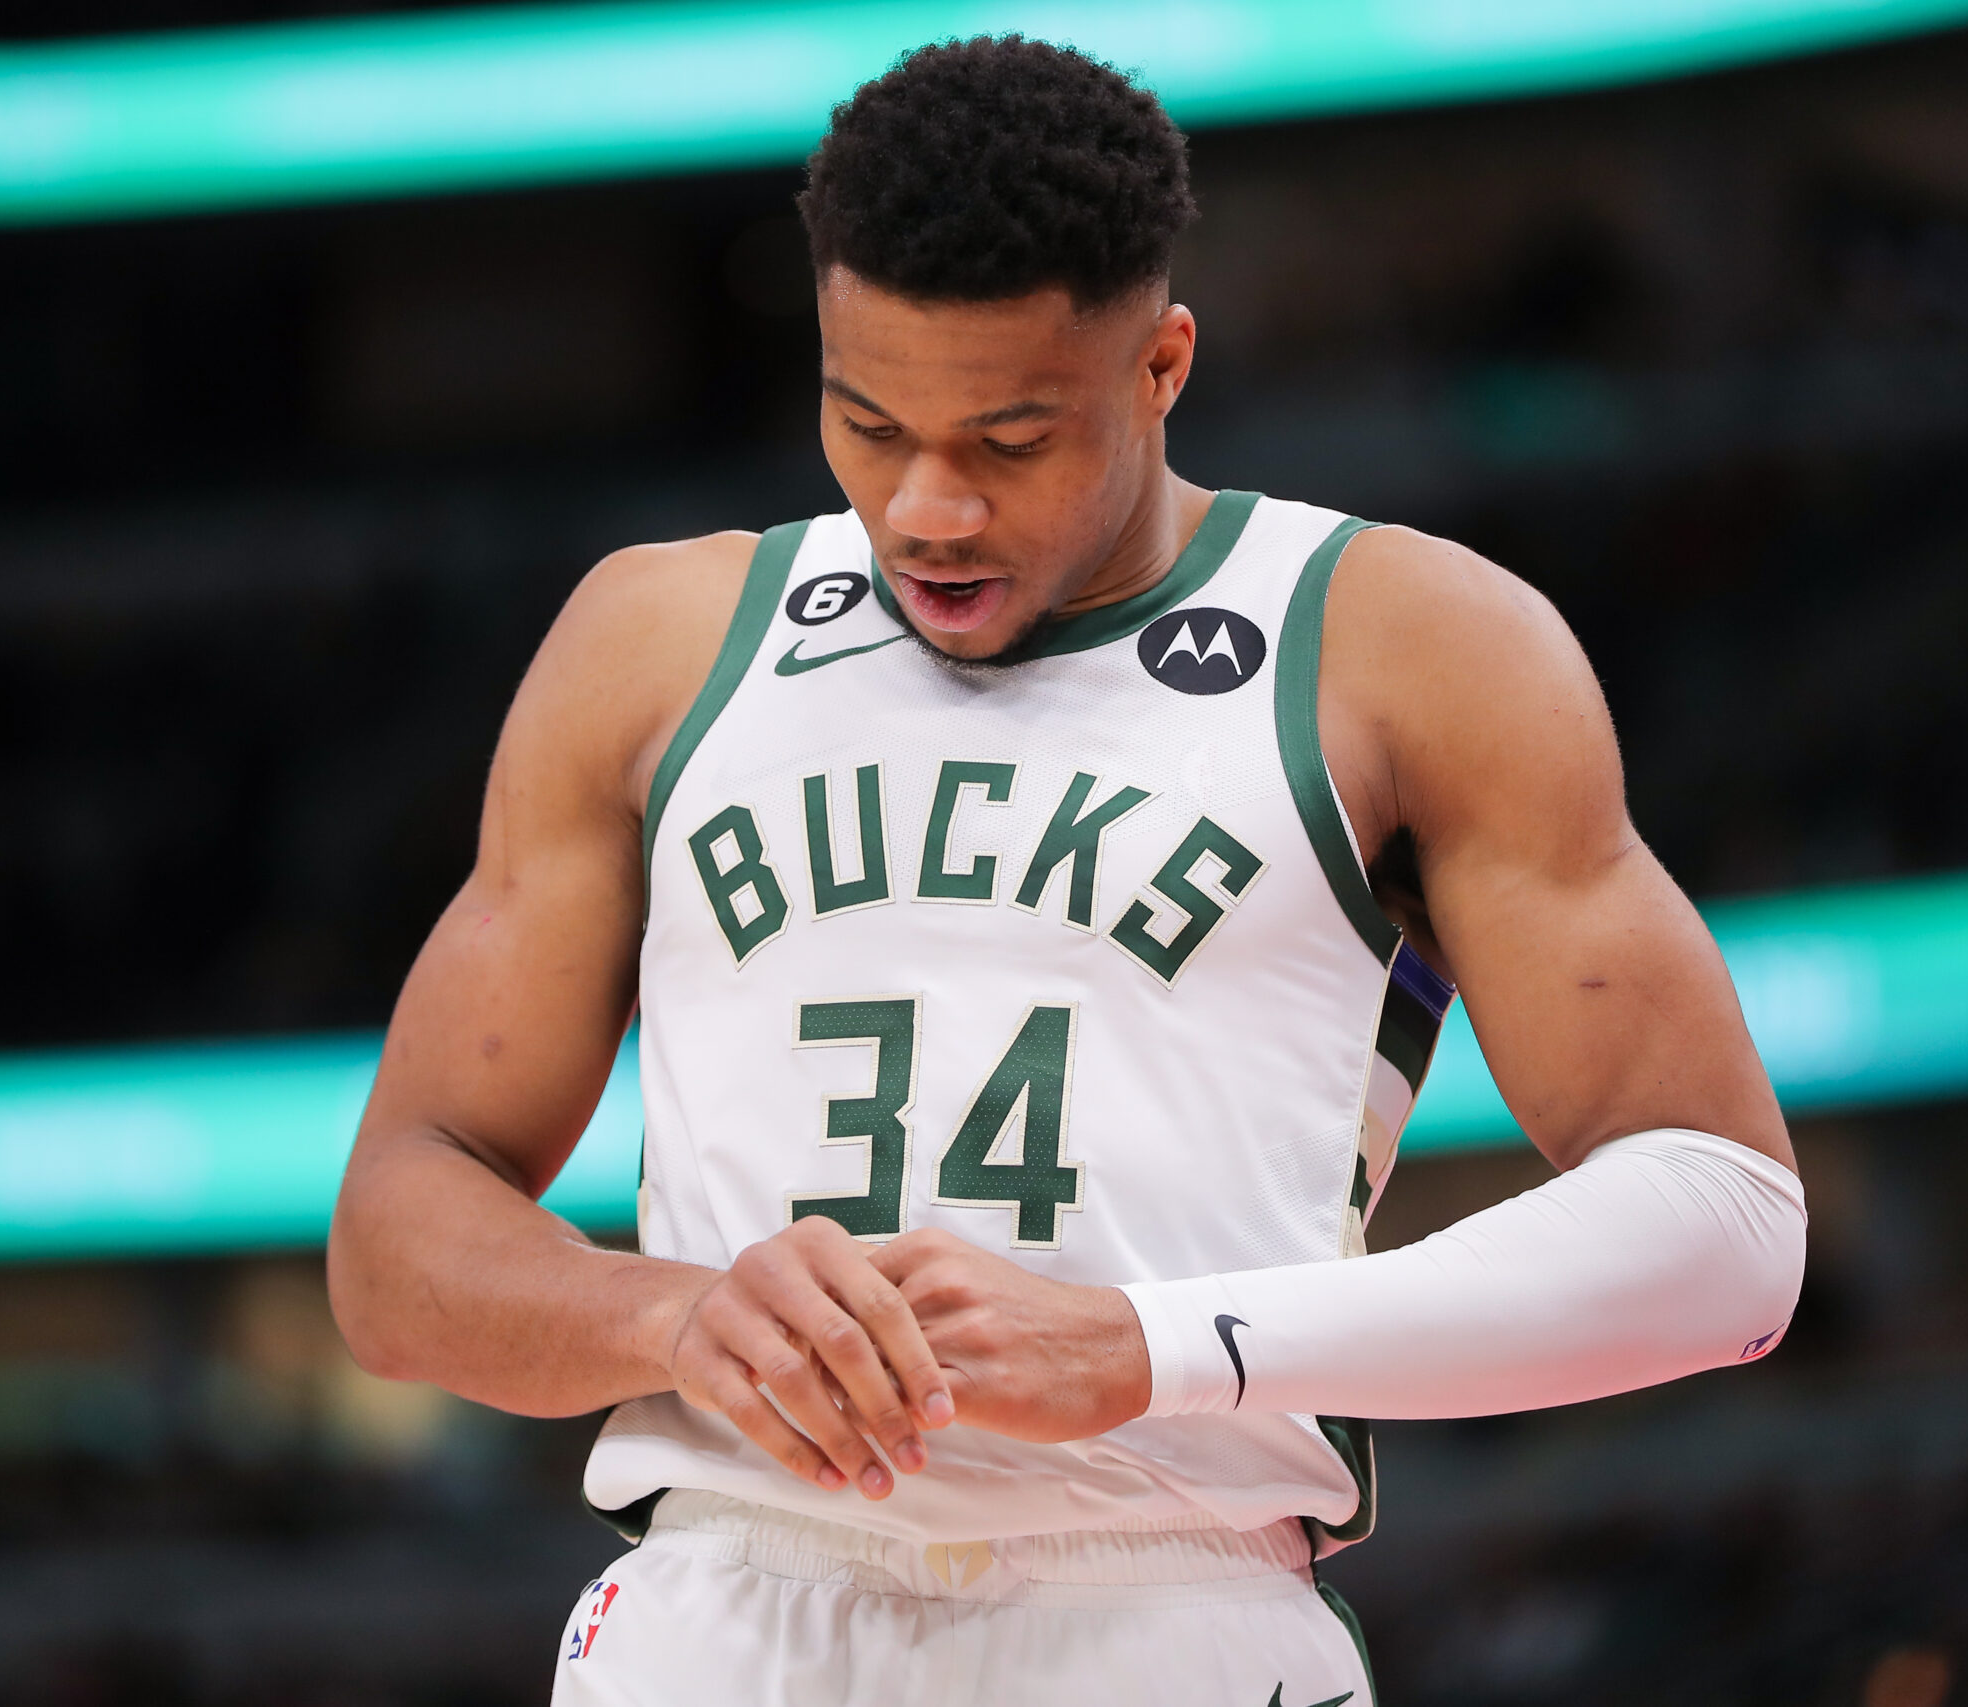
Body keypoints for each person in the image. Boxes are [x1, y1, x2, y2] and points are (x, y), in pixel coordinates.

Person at [327, 35, 1806, 1706]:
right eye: (869, 422)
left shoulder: (1405, 643)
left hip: (1167, 1605)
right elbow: (395, 1240)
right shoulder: (657, 636)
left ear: (1162, 365)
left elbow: (1733, 1231)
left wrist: (1155, 1347)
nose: (928, 508)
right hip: (722, 1608)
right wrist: (667, 1318)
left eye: (1010, 439)